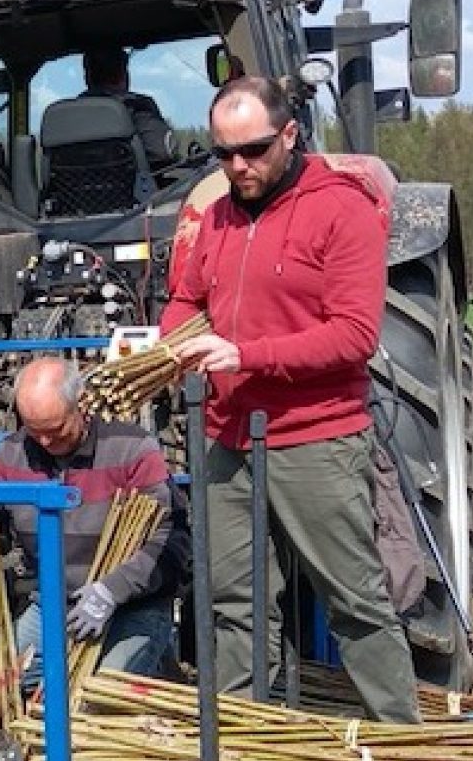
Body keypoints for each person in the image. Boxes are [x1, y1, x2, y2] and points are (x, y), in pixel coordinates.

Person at [159, 75, 420, 723]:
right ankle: (249, 746)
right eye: (222, 154)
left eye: (252, 150)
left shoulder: (343, 209)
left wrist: (245, 356)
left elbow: (354, 336)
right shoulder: (217, 214)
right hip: (226, 439)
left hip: (316, 437)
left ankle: (402, 746)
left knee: (355, 603)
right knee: (233, 603)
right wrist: (174, 342)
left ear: (291, 134)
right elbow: (186, 298)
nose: (237, 167)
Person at [0, 355, 187, 718]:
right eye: (35, 430)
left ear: (81, 406)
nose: (45, 441)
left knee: (93, 706)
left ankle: (153, 666)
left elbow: (172, 541)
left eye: (56, 428)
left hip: (131, 608)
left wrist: (113, 589)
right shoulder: (10, 456)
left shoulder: (133, 449)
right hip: (52, 607)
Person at [83, 44, 175, 168]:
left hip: (70, 186)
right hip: (131, 186)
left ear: (87, 78)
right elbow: (162, 152)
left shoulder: (65, 117)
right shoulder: (136, 106)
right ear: (124, 75)